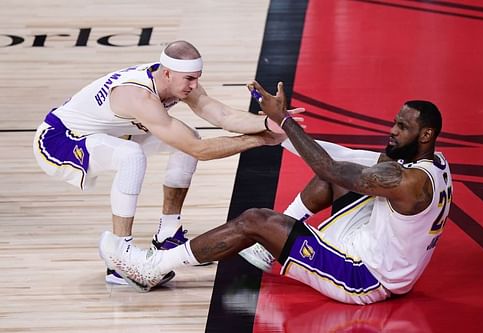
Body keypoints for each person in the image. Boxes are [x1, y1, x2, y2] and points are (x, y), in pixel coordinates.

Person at [98, 80, 453, 305]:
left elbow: (328, 166)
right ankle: (272, 251)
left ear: (425, 135)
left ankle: (153, 268)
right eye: (394, 122)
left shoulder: (406, 182)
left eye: (402, 127)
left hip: (364, 277)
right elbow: (339, 166)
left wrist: (284, 122)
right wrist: (278, 137)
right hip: (387, 257)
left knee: (255, 220)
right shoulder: (434, 163)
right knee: (340, 176)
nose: (392, 131)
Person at [33, 41, 299, 286]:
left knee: (185, 138)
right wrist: (260, 140)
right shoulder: (139, 96)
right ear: (168, 73)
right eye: (190, 79)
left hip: (106, 134)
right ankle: (120, 256)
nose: (194, 86)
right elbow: (201, 151)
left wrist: (271, 121)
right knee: (131, 155)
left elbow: (223, 115)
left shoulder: (174, 81)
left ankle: (167, 234)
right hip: (60, 140)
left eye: (197, 79)